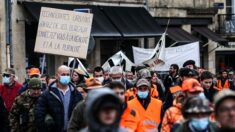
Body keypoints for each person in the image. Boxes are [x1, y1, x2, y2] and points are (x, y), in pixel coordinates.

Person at [35, 65, 83, 132]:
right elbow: (39, 115)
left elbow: (82, 115)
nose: (66, 76)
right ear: (57, 76)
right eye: (63, 74)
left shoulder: (76, 94)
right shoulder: (47, 94)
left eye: (68, 74)